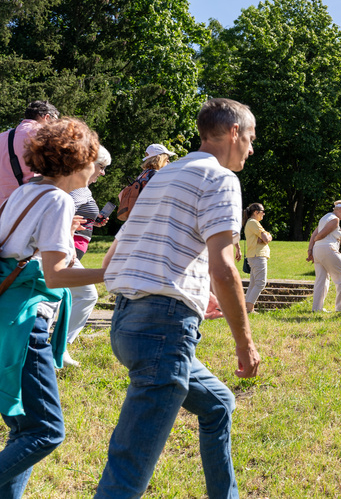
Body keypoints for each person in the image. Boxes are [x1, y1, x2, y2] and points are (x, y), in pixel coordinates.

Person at [95, 98, 261, 498]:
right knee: (128, 466)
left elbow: (117, 254)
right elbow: (225, 267)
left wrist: (187, 287)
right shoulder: (220, 178)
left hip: (127, 322)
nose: (252, 149)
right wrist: (245, 343)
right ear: (234, 132)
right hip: (163, 330)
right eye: (251, 138)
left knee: (218, 404)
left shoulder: (162, 177)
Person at [0, 118, 105, 498]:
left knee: (24, 431)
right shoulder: (58, 200)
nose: (96, 170)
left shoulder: (28, 190)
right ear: (77, 162)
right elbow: (57, 276)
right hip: (28, 322)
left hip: (9, 316)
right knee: (45, 431)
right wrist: (109, 271)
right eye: (93, 161)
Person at [63, 145, 112, 367]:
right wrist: (69, 237)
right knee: (87, 294)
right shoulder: (76, 188)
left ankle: (56, 348)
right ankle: (59, 347)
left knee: (61, 298)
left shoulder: (82, 188)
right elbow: (58, 213)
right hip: (65, 251)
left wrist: (95, 220)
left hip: (71, 251)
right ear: (89, 164)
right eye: (101, 167)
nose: (103, 173)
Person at [0, 100, 60, 203]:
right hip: (34, 203)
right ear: (47, 117)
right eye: (56, 121)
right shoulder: (44, 135)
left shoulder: (2, 137)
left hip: (5, 207)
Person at [307, 200, 341, 313]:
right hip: (328, 249)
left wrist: (311, 249)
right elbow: (319, 235)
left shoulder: (324, 217)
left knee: (321, 279)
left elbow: (314, 233)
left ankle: (317, 308)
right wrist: (317, 240)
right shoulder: (335, 219)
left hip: (318, 250)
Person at [243, 202, 272, 314]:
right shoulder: (254, 222)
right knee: (260, 282)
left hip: (254, 255)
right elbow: (266, 238)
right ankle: (250, 309)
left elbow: (266, 238)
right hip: (258, 255)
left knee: (254, 283)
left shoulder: (251, 222)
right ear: (256, 212)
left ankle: (248, 308)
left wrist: (265, 237)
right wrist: (266, 237)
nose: (264, 214)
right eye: (262, 211)